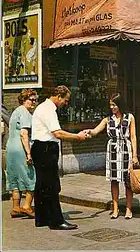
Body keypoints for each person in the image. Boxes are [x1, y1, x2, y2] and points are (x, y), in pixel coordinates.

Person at [31, 85, 88, 230]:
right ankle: (56, 221)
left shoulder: (41, 107)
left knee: (42, 185)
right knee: (51, 185)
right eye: (66, 100)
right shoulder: (49, 110)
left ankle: (42, 218)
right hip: (46, 149)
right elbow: (58, 133)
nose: (66, 103)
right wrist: (78, 137)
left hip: (39, 148)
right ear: (58, 97)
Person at [84, 93, 139, 219]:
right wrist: (88, 132)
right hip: (112, 150)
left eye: (114, 105)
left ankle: (128, 209)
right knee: (114, 180)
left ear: (120, 104)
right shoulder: (107, 120)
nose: (112, 107)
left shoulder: (130, 117)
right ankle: (115, 209)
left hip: (126, 149)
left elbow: (133, 136)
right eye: (110, 105)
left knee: (128, 180)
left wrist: (135, 155)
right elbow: (95, 131)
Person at [5, 89, 38, 218]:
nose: (34, 102)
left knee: (14, 178)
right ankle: (27, 206)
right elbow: (24, 134)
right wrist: (29, 154)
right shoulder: (25, 113)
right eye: (31, 99)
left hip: (10, 148)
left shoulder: (16, 111)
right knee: (31, 176)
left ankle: (15, 207)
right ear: (24, 99)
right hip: (20, 149)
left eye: (35, 100)